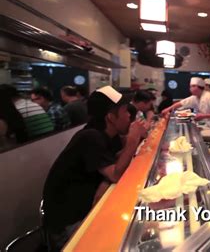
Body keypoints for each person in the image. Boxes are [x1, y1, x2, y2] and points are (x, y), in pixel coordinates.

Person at [42, 86, 147, 251]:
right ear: (111, 117)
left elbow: (117, 160)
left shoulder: (106, 134)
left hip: (88, 208)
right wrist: (133, 140)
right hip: (70, 223)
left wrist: (131, 139)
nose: (129, 116)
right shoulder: (90, 137)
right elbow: (115, 174)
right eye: (125, 111)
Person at [161, 77, 210, 147]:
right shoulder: (195, 97)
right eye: (190, 86)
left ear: (199, 87)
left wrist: (202, 116)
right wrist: (168, 109)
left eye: (193, 86)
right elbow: (181, 103)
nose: (190, 88)